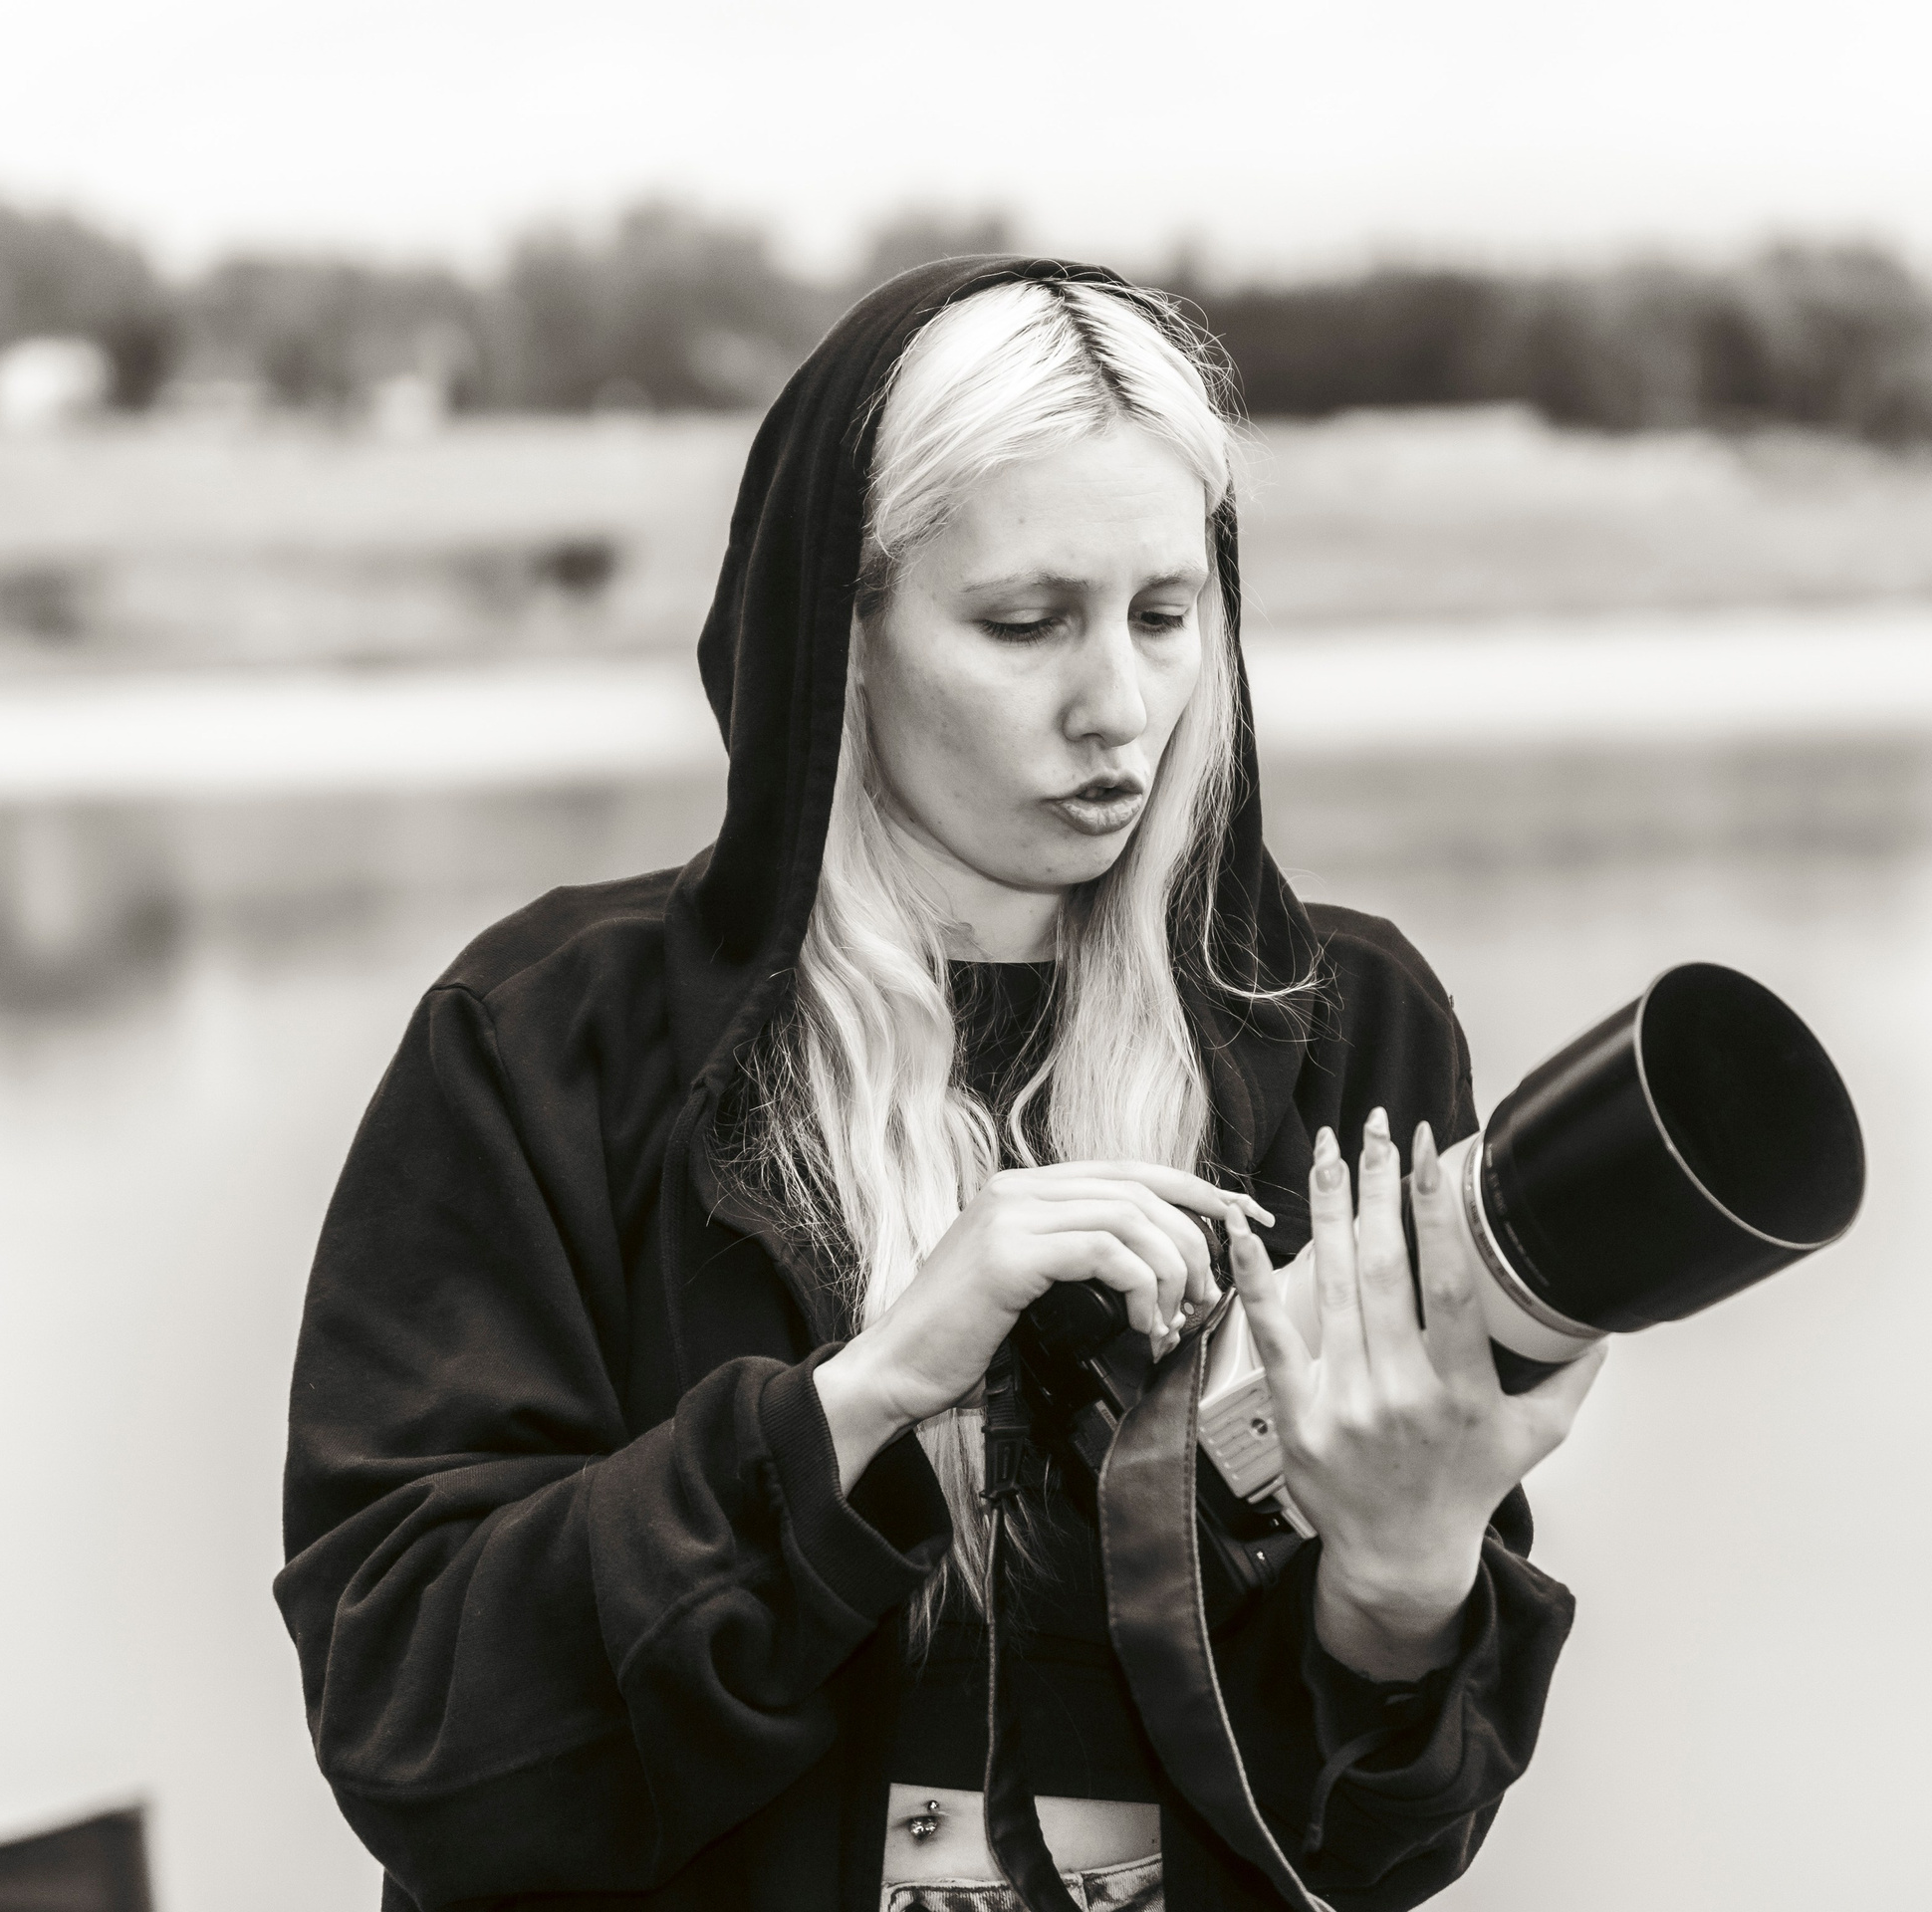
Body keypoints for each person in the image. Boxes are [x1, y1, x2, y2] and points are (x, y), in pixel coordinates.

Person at [276, 256, 1605, 1912]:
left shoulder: (1342, 1026)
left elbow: (1380, 1847)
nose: (1114, 706)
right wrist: (874, 1387)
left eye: (1165, 615)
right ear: (839, 627)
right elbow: (422, 1738)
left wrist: (1409, 1570)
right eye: (1023, 623)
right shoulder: (550, 1041)